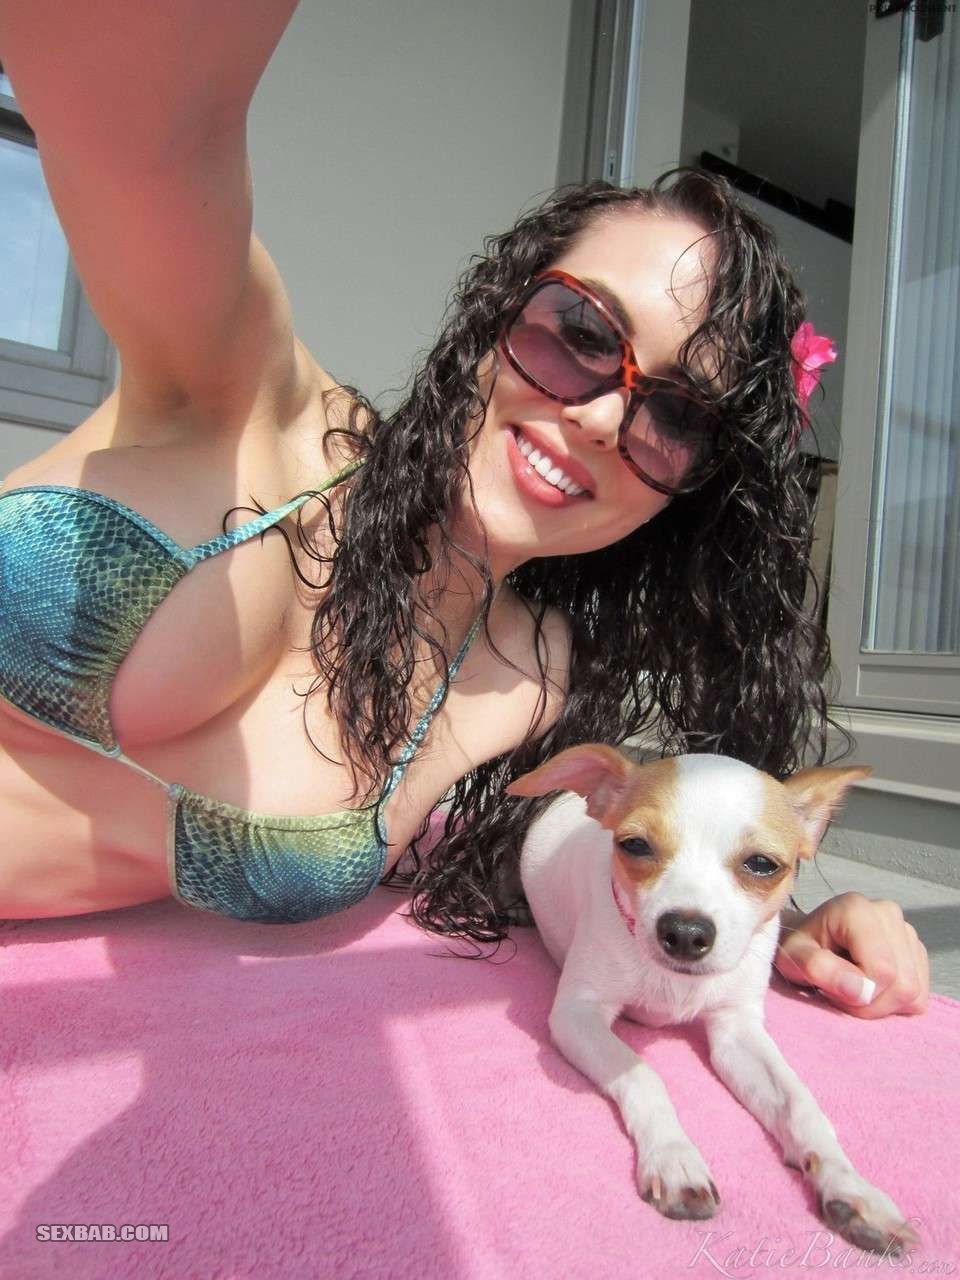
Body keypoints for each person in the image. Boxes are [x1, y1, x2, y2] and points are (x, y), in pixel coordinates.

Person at [0, 2, 927, 1021]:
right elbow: (144, 132)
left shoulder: (529, 678)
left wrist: (787, 920)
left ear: (694, 494)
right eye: (581, 331)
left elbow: (613, 856)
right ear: (496, 310)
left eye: (675, 415)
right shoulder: (252, 397)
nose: (601, 417)